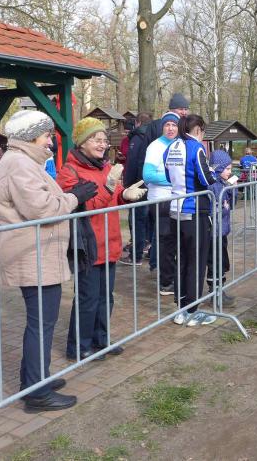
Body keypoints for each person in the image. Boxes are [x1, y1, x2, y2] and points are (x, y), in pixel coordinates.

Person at [0, 110, 98, 412]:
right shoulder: (19, 164)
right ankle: (37, 392)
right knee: (41, 324)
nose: (50, 141)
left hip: (37, 254)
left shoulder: (22, 161)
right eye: (47, 135)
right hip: (32, 256)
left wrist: (69, 196)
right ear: (31, 136)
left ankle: (35, 380)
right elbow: (42, 209)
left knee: (42, 323)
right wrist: (74, 197)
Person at [57, 117, 146, 362]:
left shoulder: (105, 167)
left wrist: (125, 194)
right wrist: (109, 187)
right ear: (82, 142)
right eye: (96, 139)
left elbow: (112, 197)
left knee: (106, 297)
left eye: (104, 140)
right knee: (88, 298)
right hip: (88, 244)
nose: (102, 144)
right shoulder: (69, 172)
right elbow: (86, 207)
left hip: (110, 241)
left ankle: (101, 339)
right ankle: (79, 346)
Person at [165, 114, 218, 327]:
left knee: (182, 260)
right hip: (195, 211)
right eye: (203, 131)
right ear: (198, 130)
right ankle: (193, 311)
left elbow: (168, 177)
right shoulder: (196, 147)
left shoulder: (171, 147)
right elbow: (206, 179)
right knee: (196, 262)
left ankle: (181, 309)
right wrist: (215, 174)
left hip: (175, 210)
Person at [131, 112, 180, 298]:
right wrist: (175, 179)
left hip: (178, 199)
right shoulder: (155, 146)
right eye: (167, 125)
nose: (171, 128)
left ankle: (175, 277)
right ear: (162, 127)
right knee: (165, 242)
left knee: (176, 241)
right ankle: (166, 282)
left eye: (174, 125)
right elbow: (148, 175)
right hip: (160, 200)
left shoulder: (181, 144)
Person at [120, 112, 154, 266]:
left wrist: (127, 184)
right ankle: (150, 250)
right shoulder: (155, 137)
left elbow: (132, 162)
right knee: (150, 220)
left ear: (138, 123)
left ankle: (136, 255)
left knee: (137, 220)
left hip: (138, 184)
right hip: (152, 184)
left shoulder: (137, 138)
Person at [206, 149, 237, 306]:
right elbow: (216, 208)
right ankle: (215, 292)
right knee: (215, 262)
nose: (230, 172)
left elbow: (231, 204)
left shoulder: (223, 184)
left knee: (222, 261)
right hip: (214, 231)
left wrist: (233, 189)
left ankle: (220, 290)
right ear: (218, 168)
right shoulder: (213, 186)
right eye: (227, 169)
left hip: (222, 230)